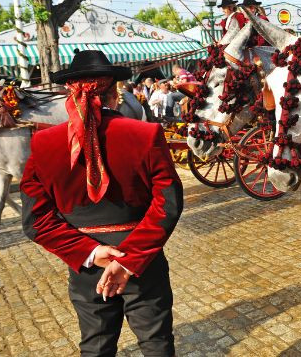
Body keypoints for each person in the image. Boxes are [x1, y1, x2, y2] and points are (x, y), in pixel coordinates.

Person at [20, 50, 183, 356]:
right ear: (114, 92)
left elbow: (35, 221)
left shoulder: (42, 144)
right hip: (141, 260)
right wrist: (128, 259)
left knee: (95, 345)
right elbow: (168, 203)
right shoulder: (146, 134)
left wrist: (92, 253)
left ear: (71, 91)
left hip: (86, 264)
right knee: (156, 342)